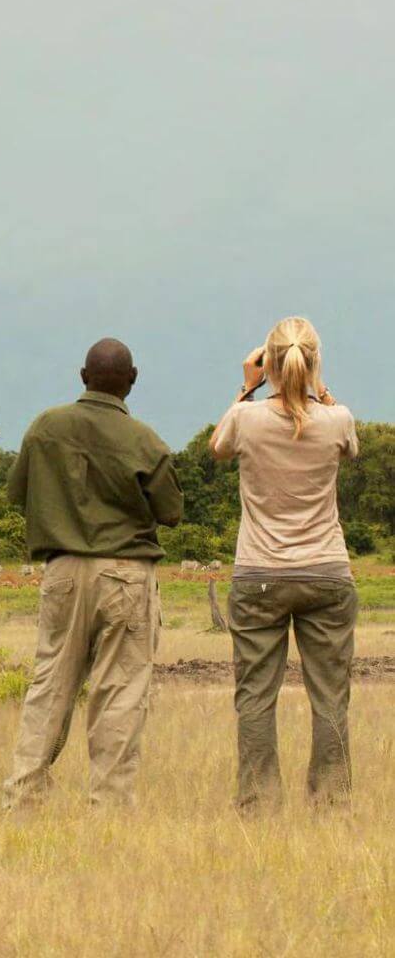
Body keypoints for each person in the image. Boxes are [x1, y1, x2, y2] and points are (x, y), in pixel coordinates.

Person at [3, 338, 184, 807]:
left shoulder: (45, 426)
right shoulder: (145, 439)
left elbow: (16, 492)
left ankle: (22, 798)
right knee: (120, 692)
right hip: (126, 573)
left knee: (49, 685)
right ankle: (109, 807)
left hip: (61, 569)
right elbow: (171, 511)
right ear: (133, 379)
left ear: (83, 377)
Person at [210, 317, 359, 810]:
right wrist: (319, 388)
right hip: (327, 572)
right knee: (330, 696)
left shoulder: (246, 418)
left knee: (255, 695)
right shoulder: (338, 419)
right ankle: (332, 802)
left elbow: (216, 448)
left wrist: (247, 388)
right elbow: (348, 447)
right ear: (314, 362)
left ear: (268, 363)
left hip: (258, 575)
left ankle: (258, 804)